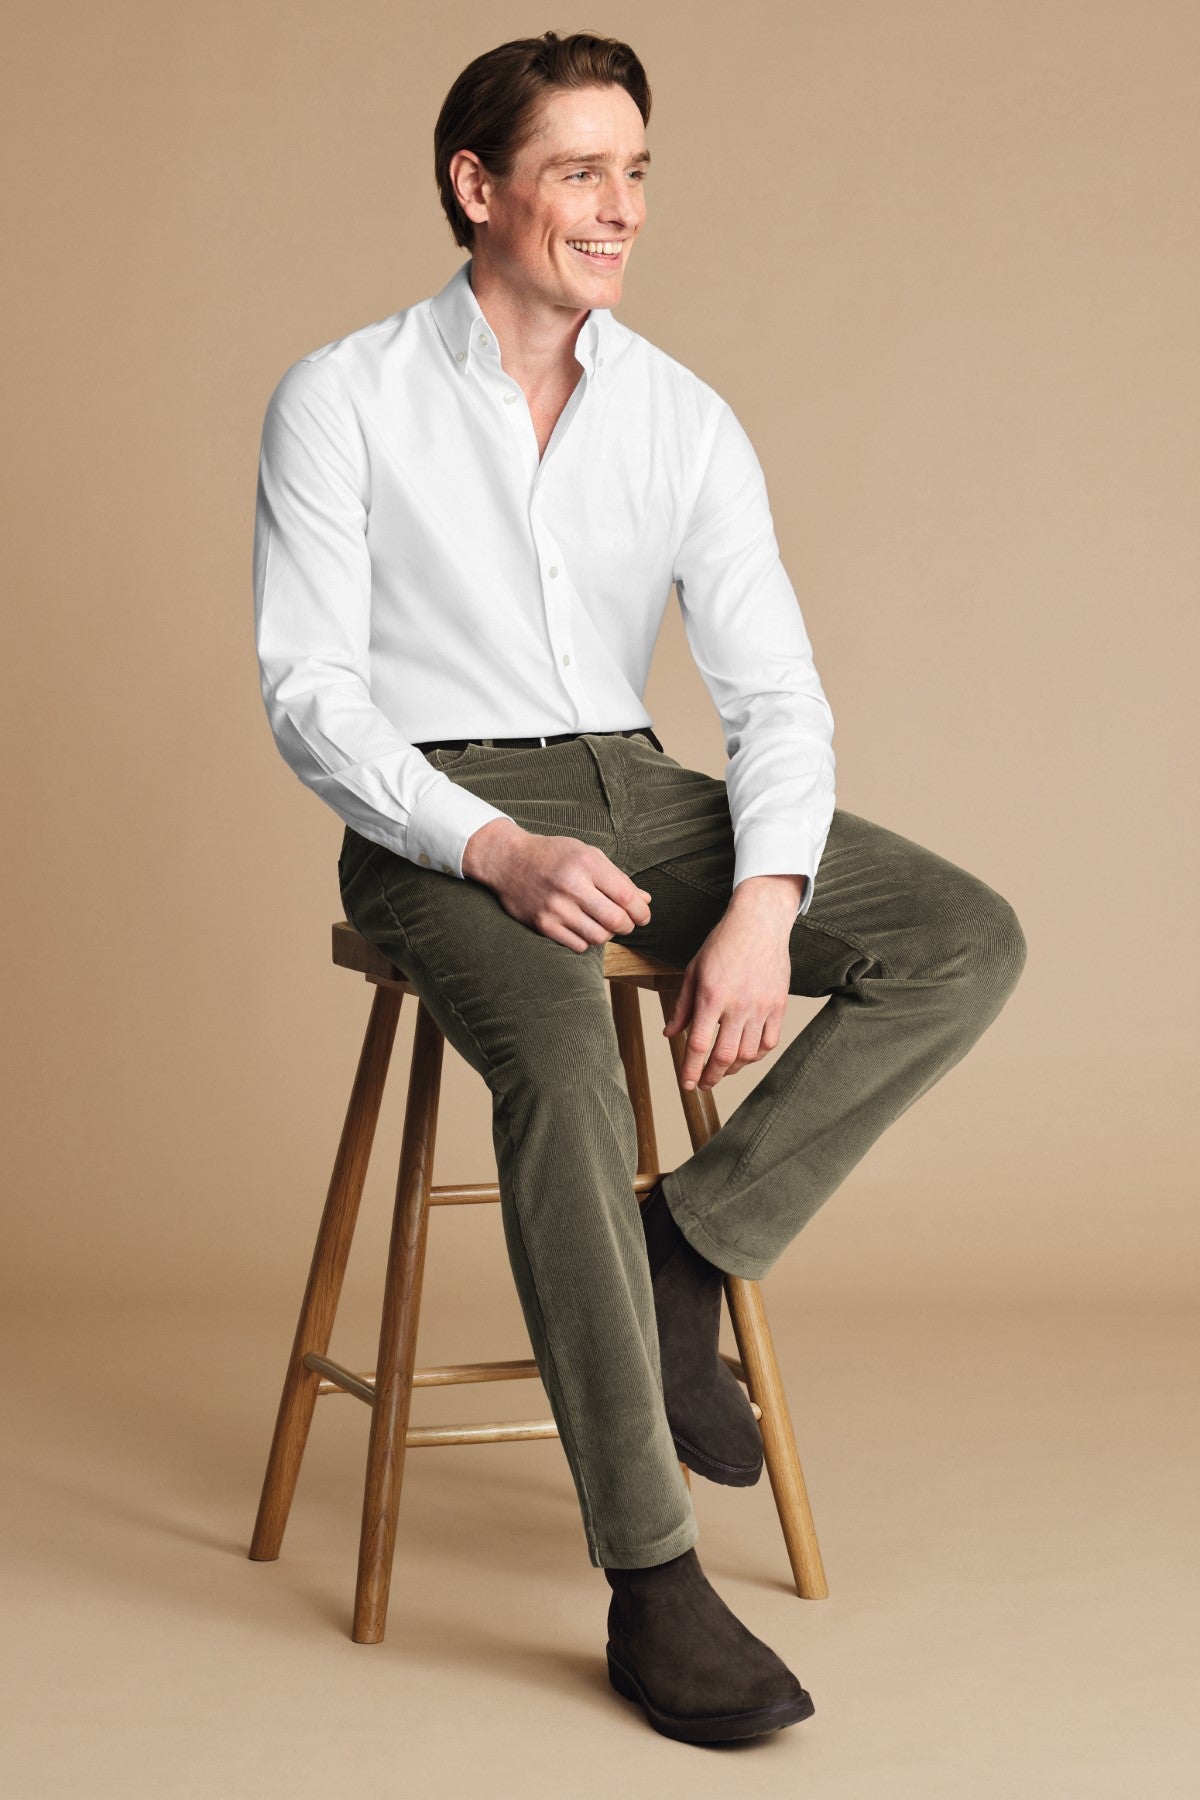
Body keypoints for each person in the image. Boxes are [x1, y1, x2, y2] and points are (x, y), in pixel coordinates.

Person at [252, 29, 1027, 1746]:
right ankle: (652, 1578)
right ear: (477, 186)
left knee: (960, 938)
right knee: (555, 1056)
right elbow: (312, 695)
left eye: (638, 172)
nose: (621, 208)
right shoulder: (344, 396)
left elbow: (777, 698)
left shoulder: (681, 413)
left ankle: (688, 1248)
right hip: (433, 813)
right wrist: (492, 846)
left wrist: (763, 898)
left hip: (637, 785)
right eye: (580, 171)